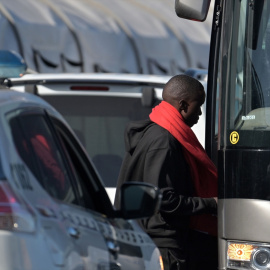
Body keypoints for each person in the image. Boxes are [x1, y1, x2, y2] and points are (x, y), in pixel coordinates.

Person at [114, 74, 218, 270]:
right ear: (184, 105)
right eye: (199, 105)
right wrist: (210, 204)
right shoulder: (164, 140)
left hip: (156, 240)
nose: (200, 113)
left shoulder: (156, 132)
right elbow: (164, 199)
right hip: (165, 245)